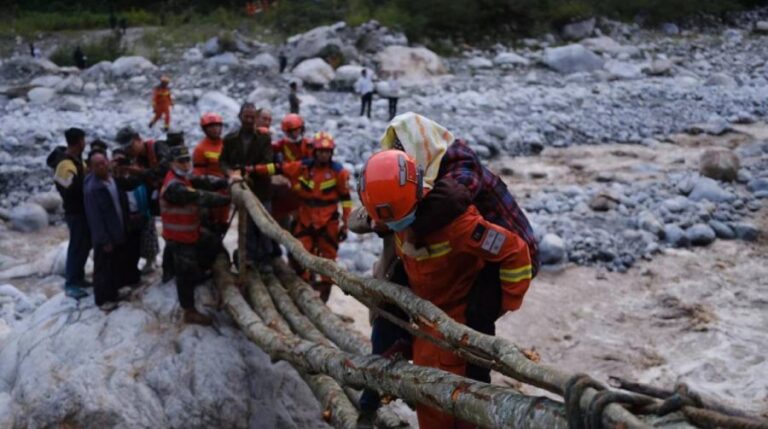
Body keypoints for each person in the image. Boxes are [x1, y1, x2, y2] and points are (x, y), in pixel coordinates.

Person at [354, 112, 540, 418]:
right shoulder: (405, 178)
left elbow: (511, 250)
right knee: (389, 291)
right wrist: (381, 220)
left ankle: (475, 391)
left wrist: (500, 303)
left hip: (490, 268)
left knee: (477, 331)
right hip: (440, 293)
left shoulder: (456, 186)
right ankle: (381, 371)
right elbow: (373, 211)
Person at [247, 132, 352, 302]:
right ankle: (303, 293)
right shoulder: (302, 167)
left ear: (331, 153)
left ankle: (323, 299)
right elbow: (278, 168)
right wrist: (252, 170)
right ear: (315, 152)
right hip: (306, 219)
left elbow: (346, 200)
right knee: (299, 256)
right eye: (320, 151)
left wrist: (345, 225)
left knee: (329, 262)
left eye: (327, 151)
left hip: (328, 222)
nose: (323, 154)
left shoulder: (339, 173)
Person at [161, 146, 230, 325]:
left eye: (187, 160)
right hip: (179, 238)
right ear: (171, 163)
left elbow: (203, 180)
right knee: (185, 274)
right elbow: (199, 196)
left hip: (191, 232)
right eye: (181, 161)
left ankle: (203, 272)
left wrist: (226, 182)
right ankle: (189, 311)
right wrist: (226, 199)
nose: (185, 165)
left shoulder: (184, 178)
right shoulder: (174, 186)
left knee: (213, 244)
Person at [219, 102, 275, 272]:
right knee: (247, 225)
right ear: (240, 117)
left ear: (256, 119)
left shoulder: (264, 139)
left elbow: (267, 161)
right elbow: (223, 161)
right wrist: (230, 173)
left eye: (252, 117)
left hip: (261, 189)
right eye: (246, 117)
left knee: (265, 225)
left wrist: (250, 170)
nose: (249, 120)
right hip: (242, 189)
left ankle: (266, 260)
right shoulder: (230, 139)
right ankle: (249, 257)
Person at [116, 126, 168, 278]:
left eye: (130, 147)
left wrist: (138, 171)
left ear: (139, 139)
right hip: (156, 199)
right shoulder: (137, 160)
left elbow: (164, 169)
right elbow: (136, 183)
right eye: (126, 149)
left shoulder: (159, 147)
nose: (129, 151)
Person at [83, 152, 130, 311]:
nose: (102, 166)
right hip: (105, 236)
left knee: (115, 263)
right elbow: (94, 218)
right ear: (91, 168)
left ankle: (114, 292)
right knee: (103, 268)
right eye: (97, 165)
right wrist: (104, 240)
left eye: (103, 163)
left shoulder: (111, 179)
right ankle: (102, 299)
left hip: (117, 229)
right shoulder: (93, 189)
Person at [54, 128, 91, 300]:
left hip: (83, 210)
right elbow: (67, 189)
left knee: (84, 245)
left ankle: (79, 277)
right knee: (77, 245)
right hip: (75, 211)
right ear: (79, 142)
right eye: (83, 140)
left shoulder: (76, 161)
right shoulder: (65, 165)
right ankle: (71, 283)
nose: (85, 144)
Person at [193, 112, 230, 235]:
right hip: (210, 196)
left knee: (223, 225)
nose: (215, 129)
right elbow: (198, 176)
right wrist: (216, 183)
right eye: (211, 127)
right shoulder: (200, 149)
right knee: (210, 229)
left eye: (217, 126)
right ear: (205, 129)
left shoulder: (226, 145)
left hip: (226, 193)